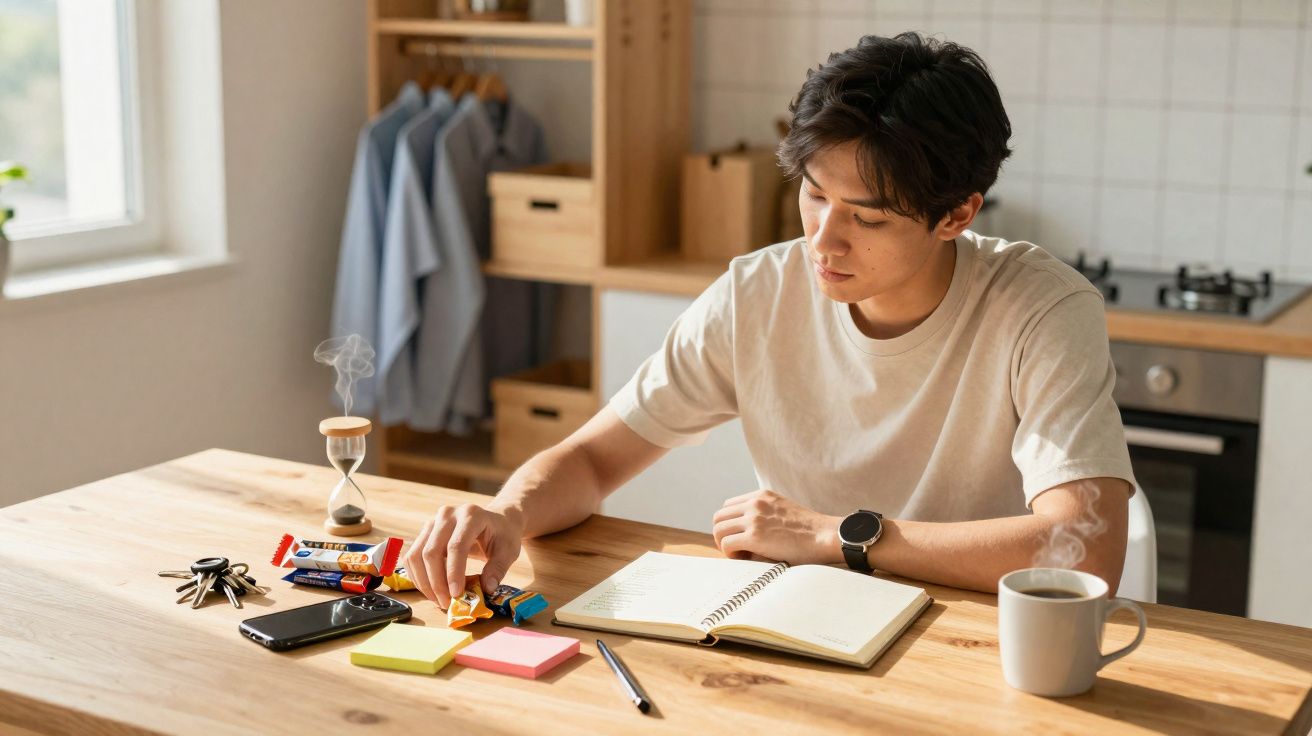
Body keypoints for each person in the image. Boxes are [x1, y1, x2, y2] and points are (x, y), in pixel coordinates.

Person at [404, 32, 1136, 609]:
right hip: (801, 624)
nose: (823, 239)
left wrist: (833, 536)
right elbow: (594, 460)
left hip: (975, 640)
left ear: (958, 214)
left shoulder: (1043, 309)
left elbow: (1083, 547)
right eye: (815, 196)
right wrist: (506, 513)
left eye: (867, 216)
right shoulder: (757, 293)